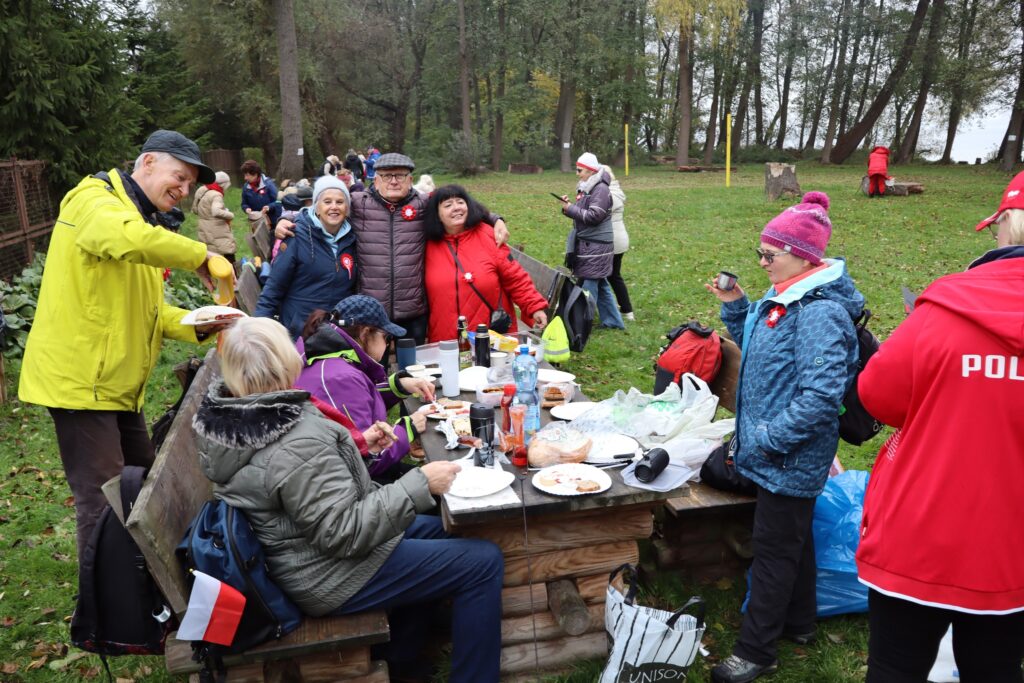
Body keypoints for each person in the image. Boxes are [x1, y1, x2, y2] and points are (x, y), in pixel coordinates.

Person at [193, 316, 503, 682]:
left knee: (443, 531)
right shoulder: (294, 439)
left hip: (299, 553)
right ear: (285, 361)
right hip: (329, 574)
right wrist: (419, 484)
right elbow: (343, 533)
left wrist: (357, 448)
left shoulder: (243, 417)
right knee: (482, 563)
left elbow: (304, 484)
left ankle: (404, 660)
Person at [18, 129, 226, 564]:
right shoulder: (93, 203)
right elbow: (127, 237)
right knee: (105, 504)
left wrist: (203, 322)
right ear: (147, 163)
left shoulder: (139, 222)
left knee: (142, 486)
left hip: (118, 386)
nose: (184, 190)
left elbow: (148, 313)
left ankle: (142, 588)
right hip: (81, 384)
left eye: (190, 184)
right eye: (180, 176)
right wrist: (200, 255)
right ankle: (104, 618)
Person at [855, 173, 1024, 682]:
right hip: (1012, 553)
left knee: (895, 668)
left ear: (1007, 226)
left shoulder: (947, 306)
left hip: (920, 535)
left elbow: (876, 395)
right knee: (997, 668)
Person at [704, 191, 863, 683]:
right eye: (761, 253)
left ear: (803, 256)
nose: (762, 262)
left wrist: (769, 439)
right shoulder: (790, 297)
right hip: (773, 450)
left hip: (789, 455)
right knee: (793, 539)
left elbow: (820, 398)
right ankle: (799, 623)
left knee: (773, 550)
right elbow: (760, 347)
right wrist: (737, 307)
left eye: (770, 254)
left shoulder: (819, 313)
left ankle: (757, 652)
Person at [276, 153, 509, 344]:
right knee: (374, 375)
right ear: (375, 180)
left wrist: (496, 218)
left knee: (415, 375)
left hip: (413, 311)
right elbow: (324, 209)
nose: (394, 181)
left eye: (400, 175)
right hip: (370, 314)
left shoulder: (424, 204)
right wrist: (286, 219)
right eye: (386, 176)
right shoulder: (358, 203)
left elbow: (459, 205)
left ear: (410, 180)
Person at [295, 295, 436, 482]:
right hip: (359, 488)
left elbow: (361, 401)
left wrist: (398, 386)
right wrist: (407, 429)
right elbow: (367, 459)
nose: (388, 344)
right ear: (365, 333)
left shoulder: (334, 359)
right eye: (386, 337)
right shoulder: (340, 378)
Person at [424, 184, 548, 342]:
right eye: (448, 205)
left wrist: (534, 307)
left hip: (491, 336)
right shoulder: (427, 245)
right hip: (445, 338)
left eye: (460, 202)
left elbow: (515, 278)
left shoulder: (488, 235)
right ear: (437, 215)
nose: (456, 208)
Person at [254, 175, 357, 340]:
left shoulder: (352, 239)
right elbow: (273, 288)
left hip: (338, 334)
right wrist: (257, 332)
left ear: (347, 208)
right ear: (316, 207)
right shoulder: (296, 236)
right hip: (300, 332)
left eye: (339, 202)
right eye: (327, 201)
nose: (334, 207)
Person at [558, 152, 624, 330]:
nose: (577, 173)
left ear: (589, 170)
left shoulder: (600, 189)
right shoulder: (588, 186)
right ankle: (614, 322)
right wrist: (568, 206)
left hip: (596, 245)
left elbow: (595, 216)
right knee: (600, 284)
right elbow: (582, 212)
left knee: (589, 286)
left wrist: (571, 209)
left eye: (580, 170)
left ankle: (582, 324)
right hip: (590, 243)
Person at [603, 165, 634, 321]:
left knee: (613, 276)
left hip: (613, 241)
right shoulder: (612, 191)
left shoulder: (611, 194)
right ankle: (625, 310)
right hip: (615, 239)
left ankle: (626, 311)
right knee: (612, 276)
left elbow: (596, 213)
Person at [193, 170, 236, 262]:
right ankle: (233, 275)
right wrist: (230, 214)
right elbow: (216, 211)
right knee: (228, 255)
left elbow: (195, 210)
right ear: (223, 184)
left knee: (211, 257)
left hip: (204, 229)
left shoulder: (201, 191)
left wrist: (205, 214)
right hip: (218, 231)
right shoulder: (216, 195)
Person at [240, 159, 282, 228]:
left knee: (272, 238)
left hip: (273, 221)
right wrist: (246, 208)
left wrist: (269, 207)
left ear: (255, 174)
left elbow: (278, 201)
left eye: (247, 175)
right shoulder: (246, 187)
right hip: (256, 221)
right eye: (244, 175)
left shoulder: (269, 184)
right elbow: (244, 203)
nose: (245, 178)